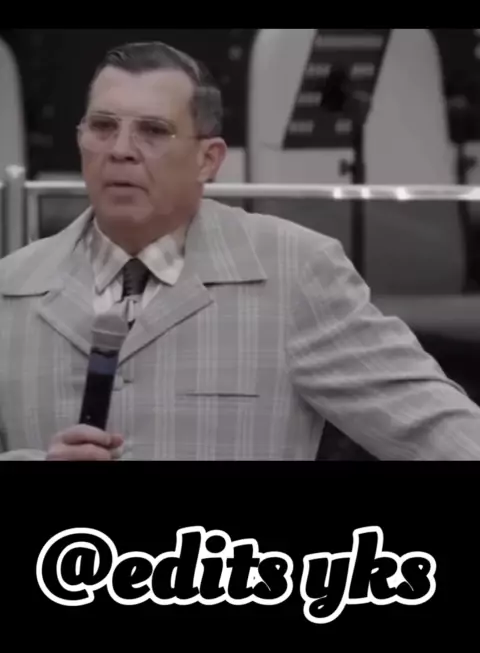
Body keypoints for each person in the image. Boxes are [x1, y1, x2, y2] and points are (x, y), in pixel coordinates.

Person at [1, 40, 480, 461]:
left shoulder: (295, 271)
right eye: (103, 126)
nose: (120, 149)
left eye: (153, 131)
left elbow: (433, 426)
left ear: (207, 160)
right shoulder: (11, 286)